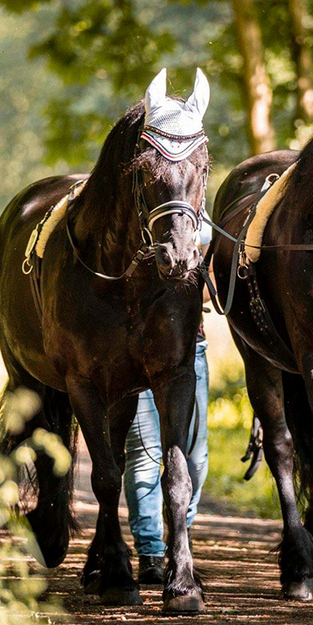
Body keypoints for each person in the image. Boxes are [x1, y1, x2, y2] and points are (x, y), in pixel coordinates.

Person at [123, 221, 211, 585]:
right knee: (144, 454)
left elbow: (213, 293)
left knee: (195, 457)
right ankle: (150, 553)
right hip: (136, 354)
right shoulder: (132, 220)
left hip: (190, 351)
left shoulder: (201, 226)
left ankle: (180, 537)